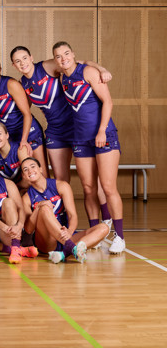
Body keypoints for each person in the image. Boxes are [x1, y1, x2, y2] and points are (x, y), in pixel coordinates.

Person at [53, 41, 125, 254]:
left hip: (104, 135)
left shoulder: (88, 72)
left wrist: (102, 130)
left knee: (109, 186)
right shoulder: (62, 76)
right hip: (80, 138)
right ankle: (96, 232)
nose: (63, 58)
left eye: (66, 53)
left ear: (73, 54)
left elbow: (108, 102)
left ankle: (119, 236)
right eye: (58, 56)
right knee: (88, 188)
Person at [10, 45, 112, 183]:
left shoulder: (47, 66)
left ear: (31, 58)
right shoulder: (23, 84)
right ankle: (62, 205)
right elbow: (24, 111)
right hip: (55, 132)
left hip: (76, 127)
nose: (22, 63)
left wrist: (102, 69)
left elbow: (82, 63)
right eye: (17, 61)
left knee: (93, 182)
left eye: (24, 58)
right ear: (14, 65)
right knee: (61, 180)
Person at [21, 157, 110, 263]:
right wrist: (38, 207)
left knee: (104, 228)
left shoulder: (61, 186)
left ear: (41, 169)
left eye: (32, 167)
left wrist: (70, 231)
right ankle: (72, 248)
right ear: (24, 176)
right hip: (47, 242)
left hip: (66, 235)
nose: (30, 171)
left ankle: (64, 253)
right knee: (44, 208)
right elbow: (28, 229)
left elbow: (72, 215)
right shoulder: (26, 198)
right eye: (25, 170)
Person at [0, 54, 47, 173]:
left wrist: (24, 139)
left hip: (29, 133)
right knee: (22, 175)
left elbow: (27, 114)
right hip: (10, 137)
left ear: (0, 70)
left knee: (41, 172)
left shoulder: (11, 84)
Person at [0, 119, 29, 189]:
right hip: (4, 191)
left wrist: (13, 189)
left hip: (23, 188)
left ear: (7, 135)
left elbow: (29, 179)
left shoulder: (20, 149)